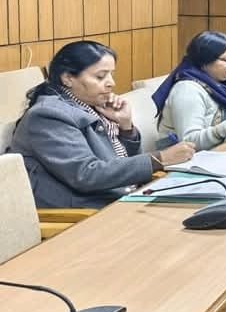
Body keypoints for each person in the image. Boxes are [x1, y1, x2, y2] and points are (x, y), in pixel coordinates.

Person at [8, 41, 195, 208]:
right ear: (68, 78)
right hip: (84, 212)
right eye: (100, 77)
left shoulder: (91, 105)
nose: (111, 83)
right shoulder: (48, 115)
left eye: (111, 75)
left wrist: (126, 128)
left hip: (119, 197)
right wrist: (160, 158)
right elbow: (86, 174)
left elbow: (122, 163)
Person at [153, 31, 226, 151]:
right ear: (204, 61)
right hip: (185, 159)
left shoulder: (219, 82)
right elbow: (188, 141)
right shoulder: (187, 90)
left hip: (218, 152)